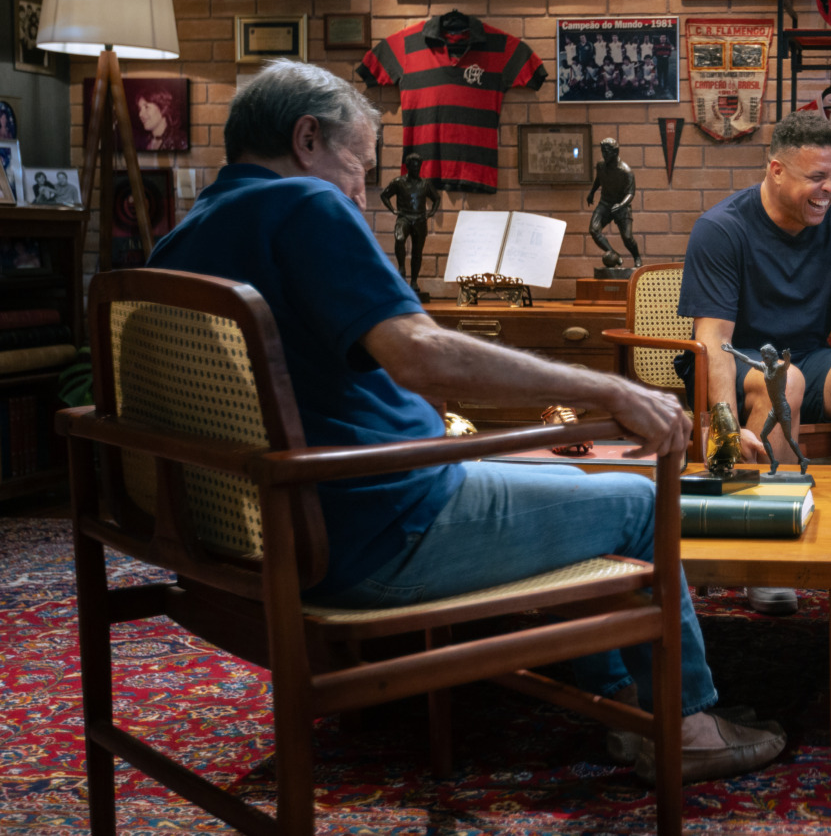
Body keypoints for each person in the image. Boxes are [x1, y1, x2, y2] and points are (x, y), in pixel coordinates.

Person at [145, 60, 785, 783]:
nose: (364, 192)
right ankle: (689, 727)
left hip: (259, 542)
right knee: (639, 498)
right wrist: (609, 389)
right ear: (306, 138)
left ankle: (625, 703)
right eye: (360, 164)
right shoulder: (304, 207)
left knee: (574, 480)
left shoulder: (180, 242)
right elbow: (423, 356)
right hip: (377, 531)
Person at [678, 110, 831, 614]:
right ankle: (767, 559)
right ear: (776, 171)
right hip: (734, 360)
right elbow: (712, 338)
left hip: (806, 357)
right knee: (782, 382)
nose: (830, 188)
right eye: (816, 177)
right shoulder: (721, 229)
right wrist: (722, 426)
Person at [721, 343, 807, 474]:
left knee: (789, 438)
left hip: (783, 409)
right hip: (774, 410)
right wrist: (732, 350)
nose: (764, 359)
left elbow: (786, 366)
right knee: (763, 435)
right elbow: (747, 360)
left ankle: (802, 459)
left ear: (772, 356)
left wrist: (787, 358)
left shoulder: (779, 369)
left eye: (765, 356)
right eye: (763, 356)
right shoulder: (764, 368)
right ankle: (774, 462)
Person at [379, 152, 442, 294]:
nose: (415, 170)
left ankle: (414, 281)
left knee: (417, 251)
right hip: (404, 217)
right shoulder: (398, 182)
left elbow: (436, 198)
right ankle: (401, 267)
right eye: (413, 167)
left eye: (417, 167)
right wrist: (393, 210)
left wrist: (431, 212)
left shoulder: (425, 184)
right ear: (407, 167)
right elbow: (384, 195)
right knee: (399, 238)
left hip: (419, 219)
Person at [587, 137, 642, 269]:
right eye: (603, 152)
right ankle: (614, 254)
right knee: (594, 230)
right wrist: (592, 192)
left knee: (627, 238)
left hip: (622, 206)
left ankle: (637, 257)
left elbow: (631, 193)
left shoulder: (626, 171)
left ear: (616, 153)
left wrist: (621, 205)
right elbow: (599, 179)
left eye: (607, 152)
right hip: (605, 203)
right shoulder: (600, 165)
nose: (604, 155)